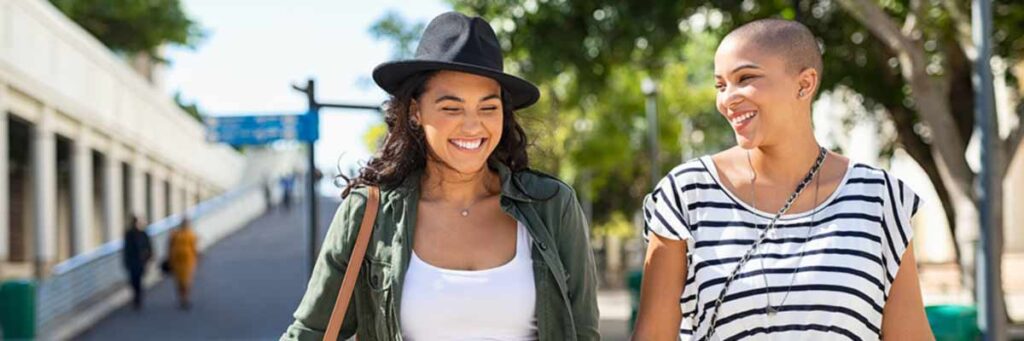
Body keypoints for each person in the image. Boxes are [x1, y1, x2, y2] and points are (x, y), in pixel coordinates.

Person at [282, 12, 599, 340]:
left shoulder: (551, 207)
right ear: (416, 111)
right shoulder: (369, 213)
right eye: (452, 108)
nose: (473, 126)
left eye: (488, 108)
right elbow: (309, 333)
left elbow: (584, 333)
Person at [632, 19, 934, 340]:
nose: (727, 99)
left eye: (745, 78)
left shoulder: (880, 199)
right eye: (721, 85)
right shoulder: (686, 193)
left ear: (804, 84)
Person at [122, 215, 153, 311]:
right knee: (133, 280)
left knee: (138, 279)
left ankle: (138, 298)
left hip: (140, 261)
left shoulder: (143, 234)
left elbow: (148, 246)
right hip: (132, 261)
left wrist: (148, 257)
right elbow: (126, 249)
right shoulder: (129, 234)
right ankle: (136, 297)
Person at [169, 218, 200, 310]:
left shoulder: (191, 234)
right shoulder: (175, 234)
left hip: (188, 261)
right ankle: (181, 297)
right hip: (177, 261)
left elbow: (194, 247)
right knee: (179, 281)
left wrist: (197, 255)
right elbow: (170, 246)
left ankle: (185, 298)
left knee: (186, 281)